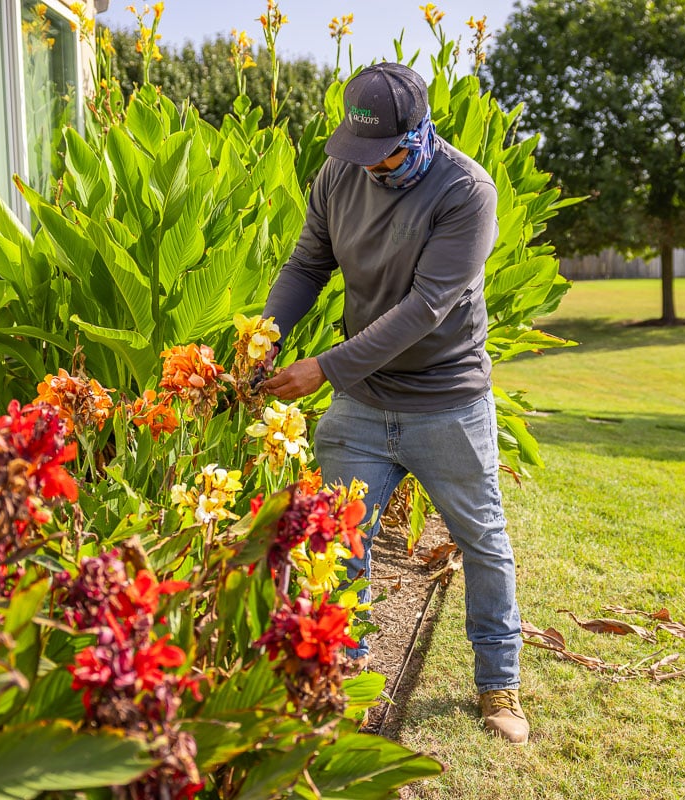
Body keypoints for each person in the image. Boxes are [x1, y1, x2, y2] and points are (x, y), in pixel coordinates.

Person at [258, 62, 528, 744]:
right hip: (364, 405)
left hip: (448, 401)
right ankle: (342, 680)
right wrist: (266, 334)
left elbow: (427, 307)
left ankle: (499, 686)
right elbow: (306, 265)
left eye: (388, 152)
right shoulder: (340, 174)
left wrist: (323, 368)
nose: (374, 167)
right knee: (339, 541)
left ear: (423, 130)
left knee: (483, 542)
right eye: (363, 151)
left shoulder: (466, 191)